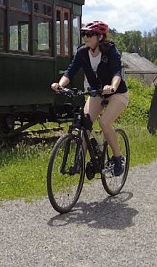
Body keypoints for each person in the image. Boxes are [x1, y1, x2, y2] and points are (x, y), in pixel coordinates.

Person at [50, 20, 129, 176]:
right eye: (84, 34)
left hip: (117, 93)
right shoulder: (82, 52)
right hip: (96, 93)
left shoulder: (111, 51)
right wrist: (60, 85)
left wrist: (112, 86)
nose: (85, 37)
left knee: (104, 122)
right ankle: (79, 160)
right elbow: (70, 72)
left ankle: (118, 158)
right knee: (84, 123)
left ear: (100, 37)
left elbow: (116, 73)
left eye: (89, 34)